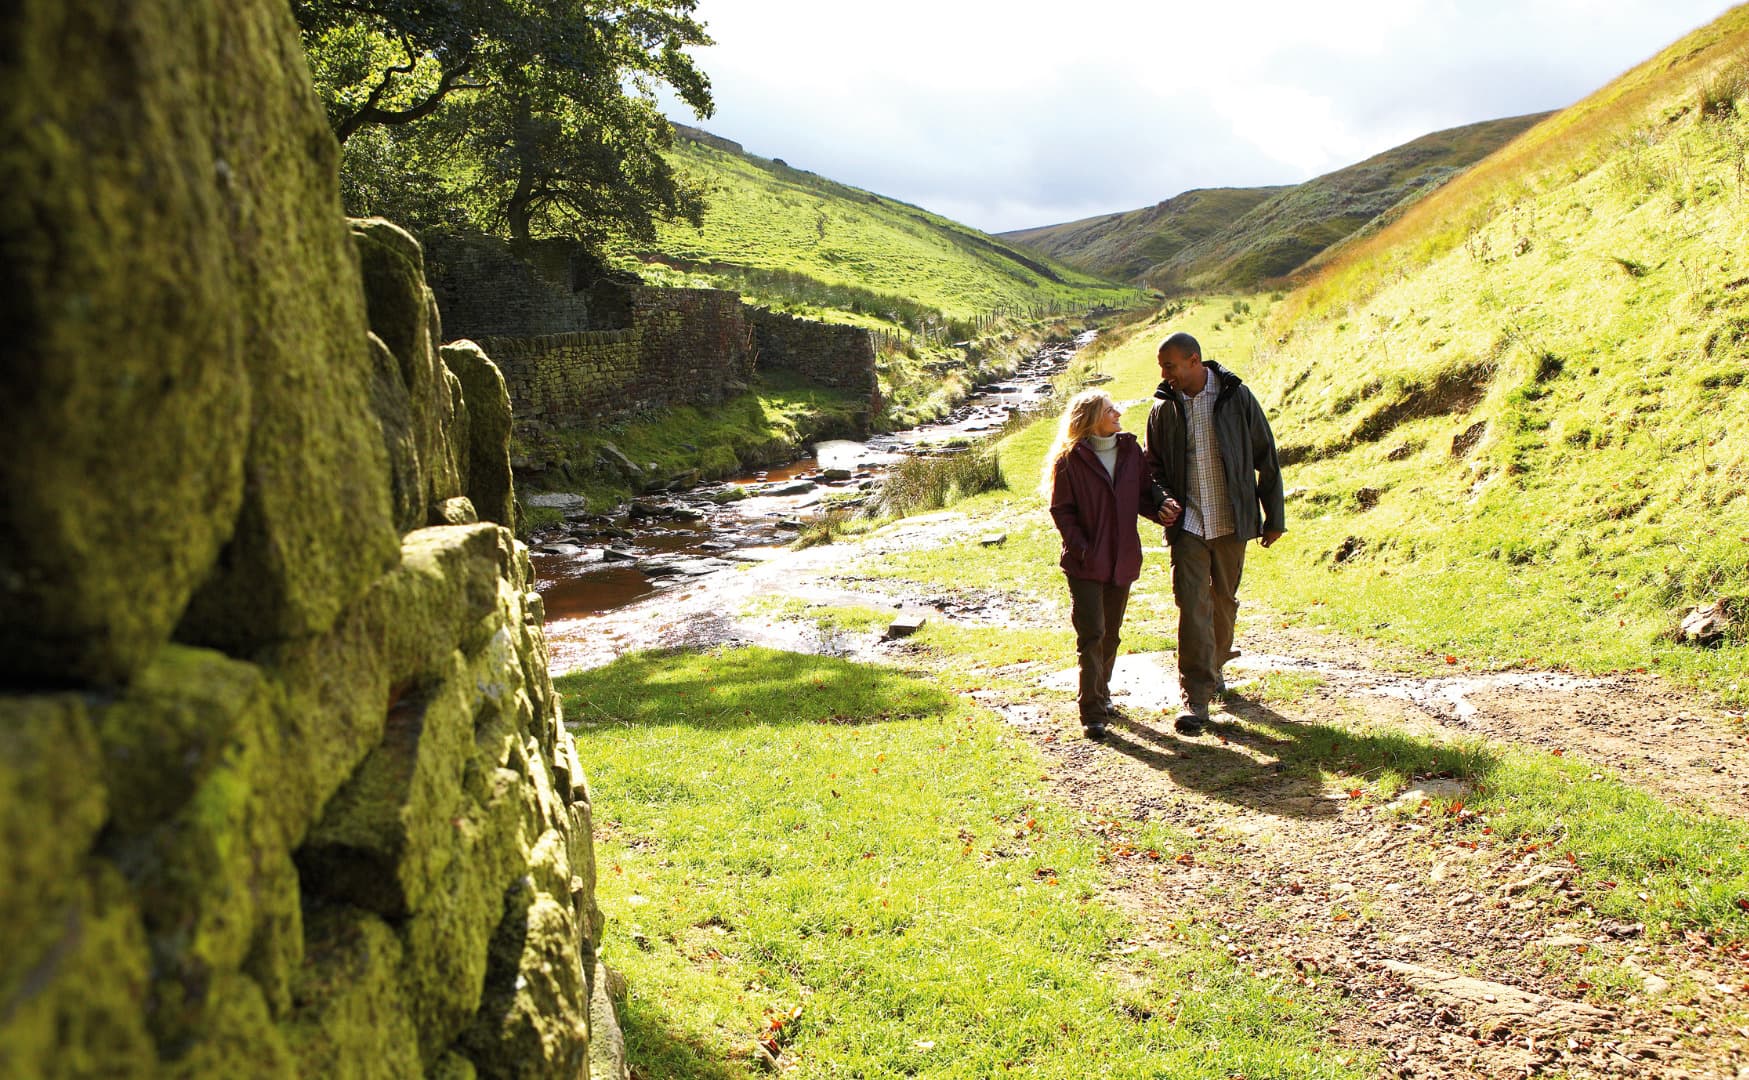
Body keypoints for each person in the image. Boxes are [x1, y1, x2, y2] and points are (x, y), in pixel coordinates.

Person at [1143, 332, 1285, 737]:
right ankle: (1197, 697)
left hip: (1231, 519)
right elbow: (1154, 468)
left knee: (1223, 600)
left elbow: (1265, 455)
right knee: (1191, 603)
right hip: (1188, 523)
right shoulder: (1163, 408)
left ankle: (1216, 663)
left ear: (1193, 360)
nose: (1164, 374)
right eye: (1161, 367)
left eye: (1169, 365)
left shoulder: (1236, 397)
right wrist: (1162, 500)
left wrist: (1273, 516)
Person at [1045, 389, 1171, 740]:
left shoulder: (1131, 451)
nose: (1118, 413)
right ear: (1090, 418)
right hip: (1085, 564)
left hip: (1123, 559)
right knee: (1092, 635)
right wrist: (1081, 547)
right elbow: (1062, 510)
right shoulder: (1070, 460)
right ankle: (1093, 712)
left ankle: (1102, 691)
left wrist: (1163, 507)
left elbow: (1144, 493)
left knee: (1111, 635)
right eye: (1109, 410)